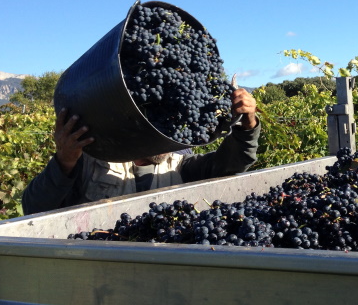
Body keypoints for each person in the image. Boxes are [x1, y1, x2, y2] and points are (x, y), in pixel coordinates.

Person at [22, 88, 260, 215]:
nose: (172, 142)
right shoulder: (91, 162)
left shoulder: (180, 165)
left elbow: (232, 163)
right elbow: (34, 208)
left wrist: (247, 126)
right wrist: (64, 161)